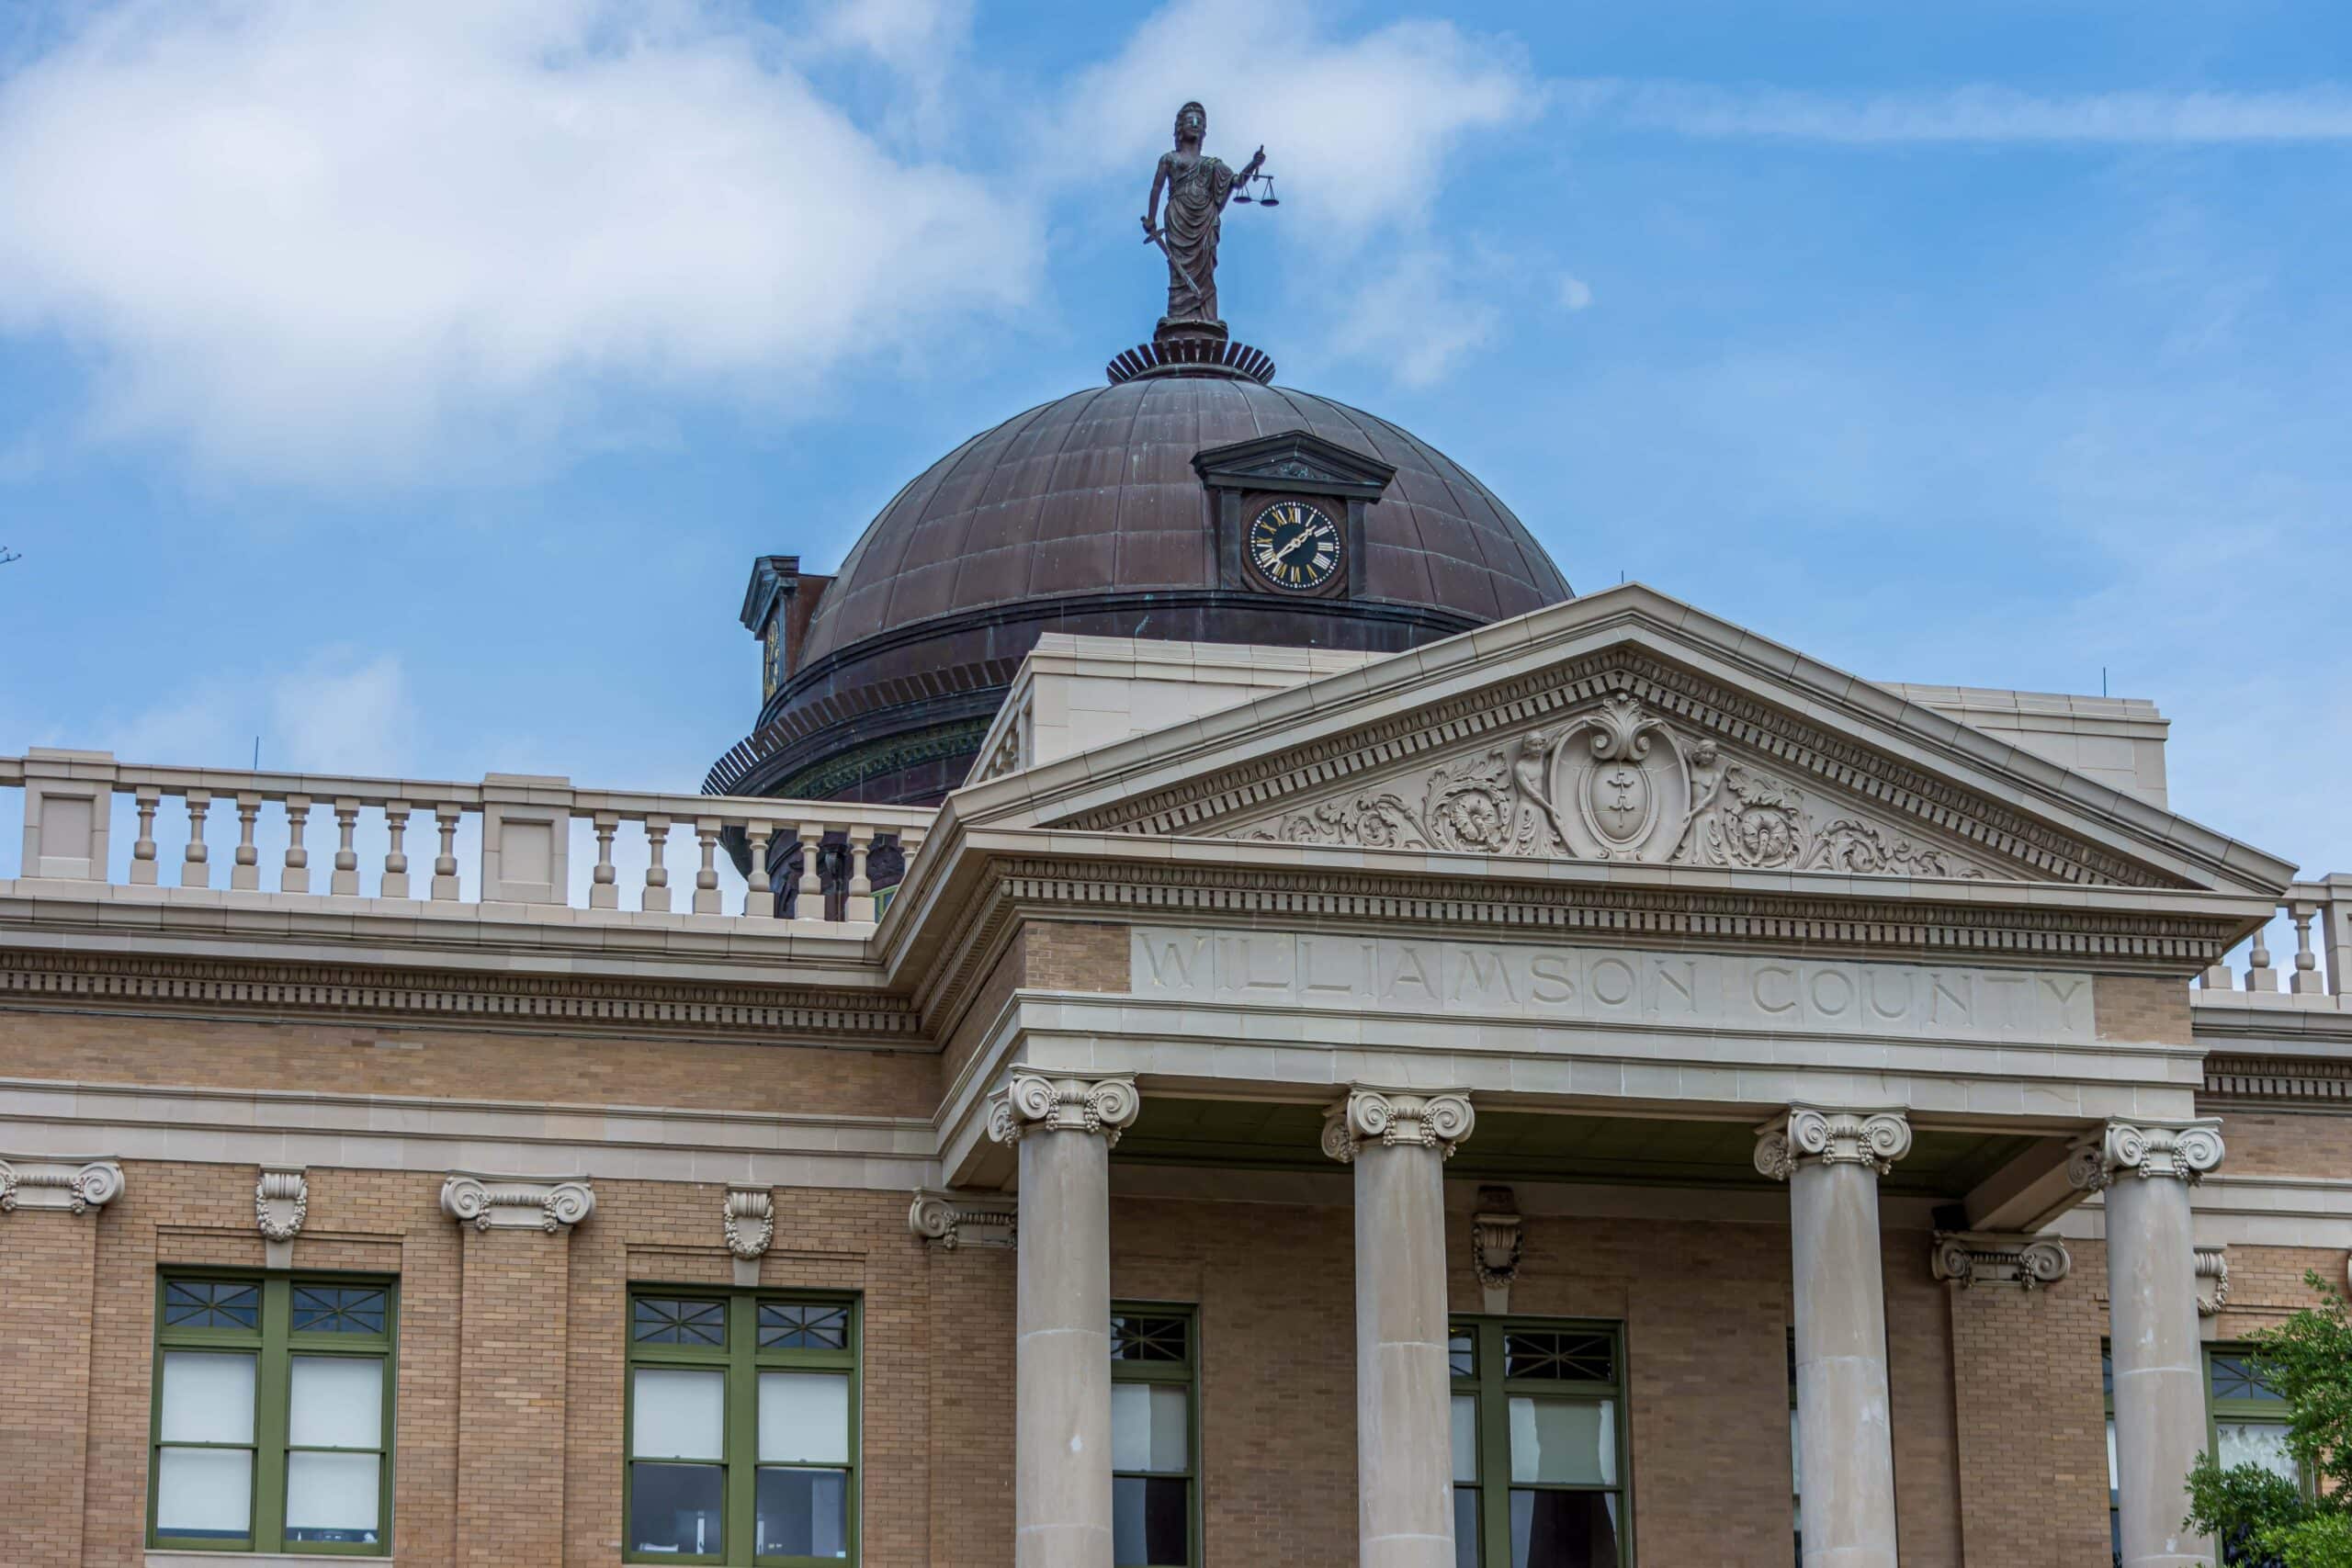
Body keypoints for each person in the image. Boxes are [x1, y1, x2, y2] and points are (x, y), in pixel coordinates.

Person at [1143, 102, 1261, 330]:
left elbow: (1236, 182)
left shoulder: (1212, 164)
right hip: (1178, 216)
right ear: (1180, 128)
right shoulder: (1169, 159)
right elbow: (1156, 187)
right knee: (1178, 268)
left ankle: (1207, 315)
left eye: (1200, 122)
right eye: (1190, 121)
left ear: (1205, 129)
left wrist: (1253, 164)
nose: (1195, 125)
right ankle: (1178, 315)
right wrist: (1151, 218)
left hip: (1205, 216)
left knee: (1204, 268)